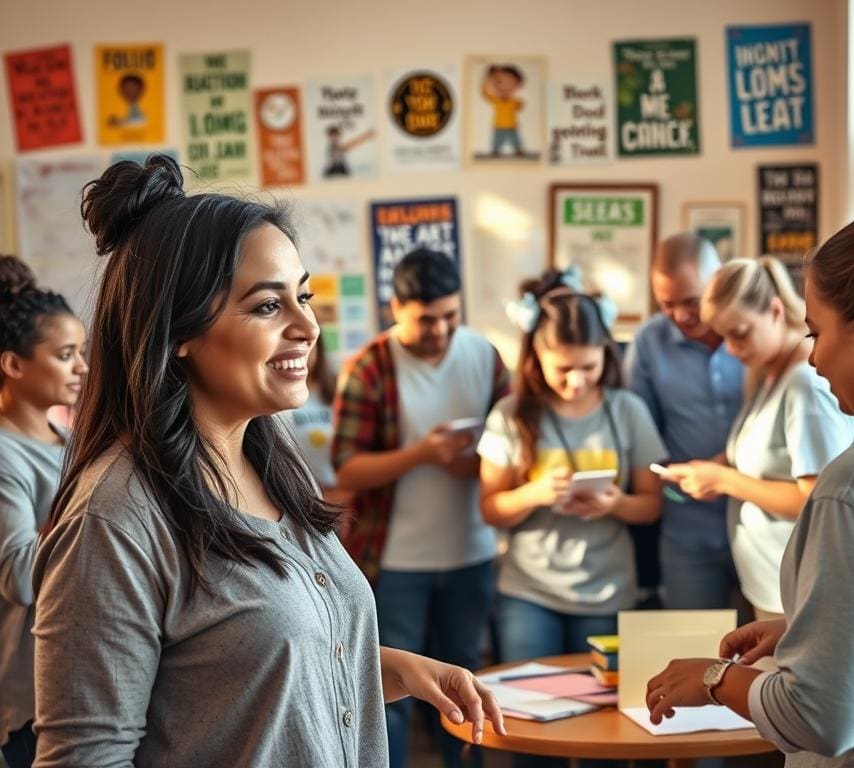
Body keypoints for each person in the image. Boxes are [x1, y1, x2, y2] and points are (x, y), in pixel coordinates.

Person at [31, 155, 505, 768]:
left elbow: (252, 675)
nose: (306, 325)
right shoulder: (116, 518)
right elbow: (83, 758)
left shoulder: (270, 454)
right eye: (266, 306)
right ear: (180, 330)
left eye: (302, 296)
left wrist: (398, 669)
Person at [646, 199, 854, 765]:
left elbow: (822, 716)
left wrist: (715, 680)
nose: (812, 358)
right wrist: (805, 629)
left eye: (815, 333)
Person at [332, 247, 510, 768]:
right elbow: (347, 469)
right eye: (427, 319)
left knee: (466, 685)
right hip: (394, 561)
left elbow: (523, 450)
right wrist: (423, 455)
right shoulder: (370, 366)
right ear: (396, 308)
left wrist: (475, 463)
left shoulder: (484, 356)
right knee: (391, 696)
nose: (441, 329)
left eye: (451, 316)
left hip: (471, 552)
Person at [477, 272, 665, 697]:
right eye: (563, 369)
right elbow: (488, 508)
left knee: (602, 718)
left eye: (589, 367)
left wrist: (616, 504)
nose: (576, 381)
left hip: (608, 592)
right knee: (529, 716)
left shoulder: (628, 411)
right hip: (529, 593)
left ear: (607, 355)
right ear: (537, 357)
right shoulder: (510, 414)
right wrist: (535, 493)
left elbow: (653, 505)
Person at [661, 257, 854, 619]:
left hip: (796, 591)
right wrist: (712, 468)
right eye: (724, 337)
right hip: (770, 583)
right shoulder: (769, 374)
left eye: (740, 333)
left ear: (775, 310)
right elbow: (768, 459)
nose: (731, 350)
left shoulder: (804, 385)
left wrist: (724, 480)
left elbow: (815, 499)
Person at [624, 234, 744, 610]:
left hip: (761, 513)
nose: (680, 316)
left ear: (719, 279)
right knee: (695, 645)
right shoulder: (649, 342)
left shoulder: (752, 331)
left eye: (691, 301)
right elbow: (639, 429)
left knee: (767, 652)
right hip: (686, 524)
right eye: (667, 304)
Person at [0, 255, 87, 768]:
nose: (82, 368)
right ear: (12, 364)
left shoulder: (73, 443)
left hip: (84, 684)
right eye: (65, 355)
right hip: (33, 699)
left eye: (82, 353)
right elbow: (19, 576)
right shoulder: (5, 454)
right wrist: (85, 513)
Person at [285, 303, 352, 509]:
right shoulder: (274, 399)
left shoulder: (341, 389)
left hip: (345, 502)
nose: (299, 352)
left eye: (306, 344)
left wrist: (343, 496)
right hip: (298, 503)